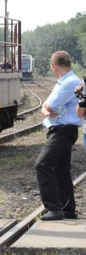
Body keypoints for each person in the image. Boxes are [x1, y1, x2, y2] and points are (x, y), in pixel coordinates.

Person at [36, 51, 82, 220]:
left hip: (64, 130)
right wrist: (46, 109)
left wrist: (47, 109)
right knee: (60, 171)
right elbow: (45, 107)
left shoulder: (70, 82)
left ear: (53, 65)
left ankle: (54, 209)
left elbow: (51, 105)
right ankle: (67, 210)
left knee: (43, 164)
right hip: (60, 130)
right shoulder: (64, 82)